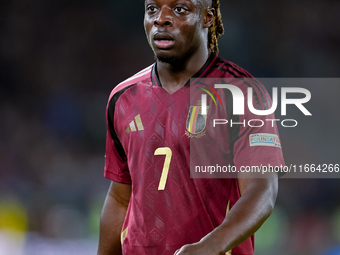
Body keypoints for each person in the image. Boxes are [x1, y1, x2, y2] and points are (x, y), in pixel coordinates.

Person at [98, 0, 285, 254]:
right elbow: (120, 198)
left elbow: (262, 190)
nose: (161, 18)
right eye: (152, 8)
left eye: (179, 9)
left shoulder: (242, 94)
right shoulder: (123, 98)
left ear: (207, 18)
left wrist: (209, 247)